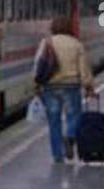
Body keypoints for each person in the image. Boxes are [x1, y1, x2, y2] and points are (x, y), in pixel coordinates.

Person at [35, 15, 95, 163]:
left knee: (54, 122)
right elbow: (84, 68)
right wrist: (88, 85)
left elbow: (38, 64)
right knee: (74, 116)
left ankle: (57, 155)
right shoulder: (76, 44)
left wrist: (35, 84)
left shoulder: (46, 43)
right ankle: (70, 136)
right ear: (70, 28)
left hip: (50, 87)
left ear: (53, 28)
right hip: (71, 86)